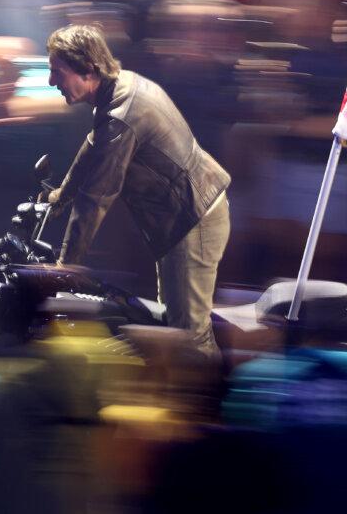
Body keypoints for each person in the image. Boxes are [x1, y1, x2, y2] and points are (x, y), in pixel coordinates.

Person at [45, 23, 230, 357]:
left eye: (57, 72)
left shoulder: (121, 116)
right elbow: (94, 146)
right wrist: (61, 194)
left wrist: (64, 268)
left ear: (87, 69)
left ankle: (214, 405)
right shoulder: (119, 88)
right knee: (170, 326)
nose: (51, 82)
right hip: (185, 218)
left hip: (194, 220)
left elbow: (96, 198)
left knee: (189, 337)